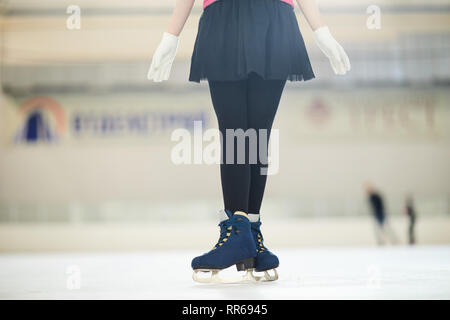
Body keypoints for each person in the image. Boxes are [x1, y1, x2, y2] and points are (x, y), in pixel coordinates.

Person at [148, 0, 350, 283]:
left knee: (252, 136)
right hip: (240, 18)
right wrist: (170, 36)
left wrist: (322, 31)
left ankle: (244, 233)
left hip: (268, 19)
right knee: (243, 136)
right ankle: (245, 235)